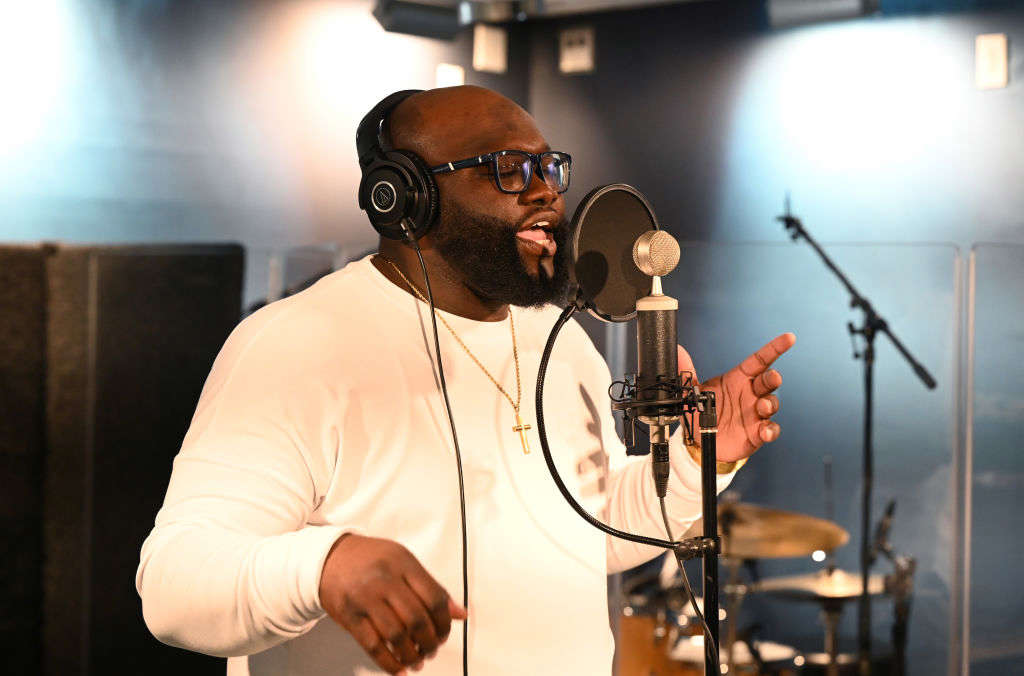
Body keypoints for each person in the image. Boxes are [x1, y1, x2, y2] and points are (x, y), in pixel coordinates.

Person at [136, 86, 794, 676]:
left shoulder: (560, 341)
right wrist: (323, 566)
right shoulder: (294, 344)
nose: (545, 191)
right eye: (508, 168)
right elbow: (175, 589)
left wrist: (698, 459)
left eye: (549, 167)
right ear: (405, 197)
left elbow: (588, 532)